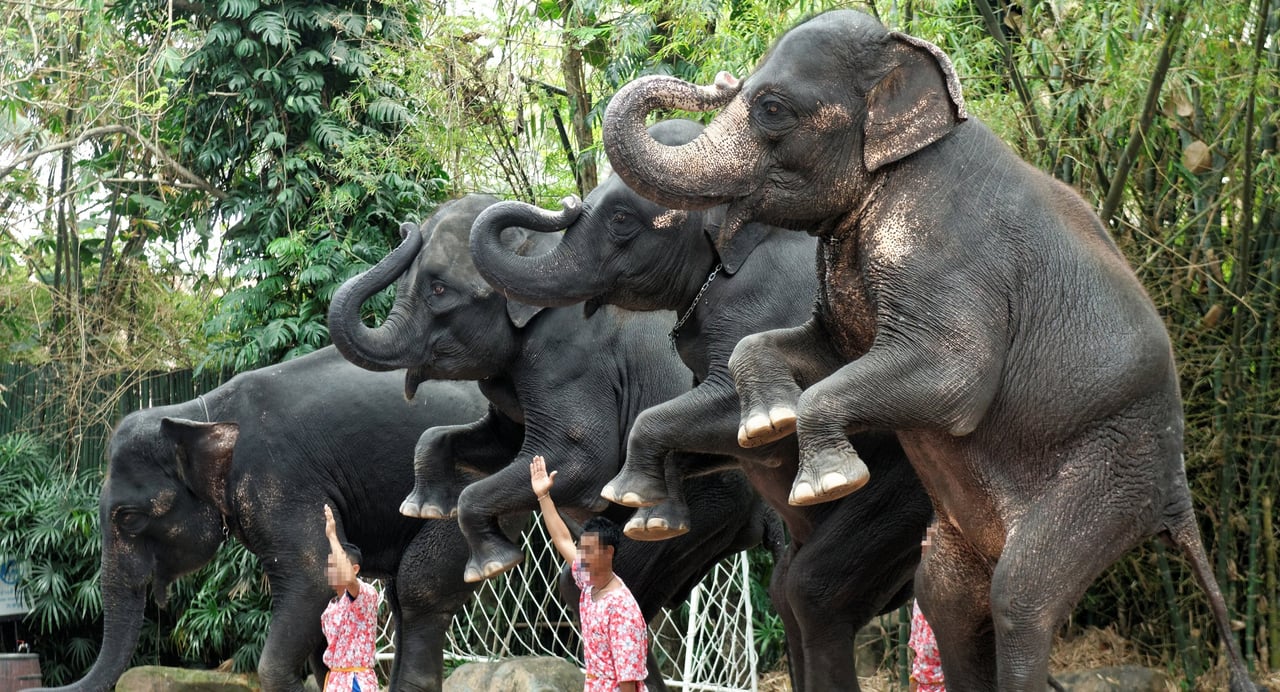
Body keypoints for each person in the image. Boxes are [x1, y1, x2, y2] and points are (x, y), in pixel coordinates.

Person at [530, 455, 648, 692]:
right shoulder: (590, 582)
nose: (582, 556)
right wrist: (543, 495)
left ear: (608, 553)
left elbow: (627, 683)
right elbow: (563, 539)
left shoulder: (621, 609)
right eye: (582, 549)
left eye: (589, 550)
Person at [321, 504, 381, 692]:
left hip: (356, 682)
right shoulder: (330, 609)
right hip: (335, 682)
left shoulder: (366, 595)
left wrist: (332, 535)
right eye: (330, 565)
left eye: (336, 564)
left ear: (354, 570)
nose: (330, 570)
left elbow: (348, 579)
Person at [909, 525, 945, 692]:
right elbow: (918, 648)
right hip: (924, 683)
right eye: (925, 546)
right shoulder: (920, 595)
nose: (925, 549)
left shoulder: (958, 598)